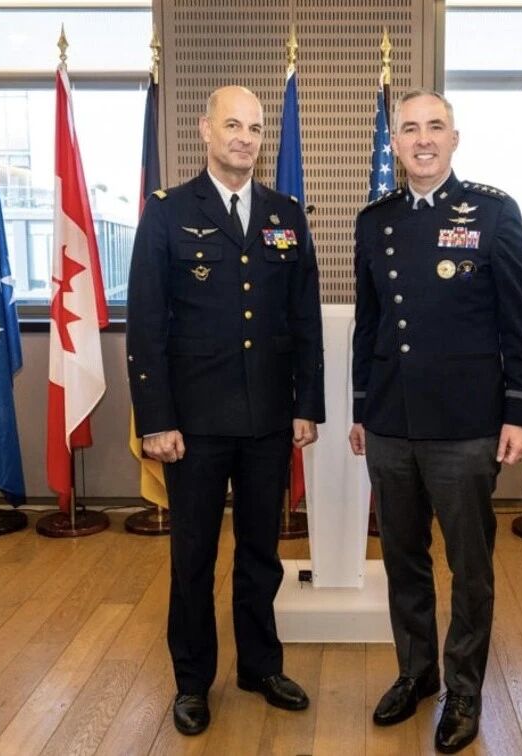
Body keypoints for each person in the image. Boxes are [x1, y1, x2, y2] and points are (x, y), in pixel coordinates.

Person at [127, 85, 325, 736]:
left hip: (268, 418)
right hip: (194, 424)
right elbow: (146, 325)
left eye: (255, 128)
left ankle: (260, 667)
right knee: (193, 557)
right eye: (232, 125)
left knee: (261, 553)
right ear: (205, 131)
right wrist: (156, 419)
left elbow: (304, 318)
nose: (244, 137)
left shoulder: (285, 214)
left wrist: (307, 404)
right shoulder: (168, 212)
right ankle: (192, 682)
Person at [349, 89, 522, 754]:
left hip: (466, 425)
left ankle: (463, 689)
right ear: (395, 143)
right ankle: (416, 672)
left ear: (455, 138)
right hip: (391, 423)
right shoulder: (375, 221)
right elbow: (370, 324)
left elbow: (519, 321)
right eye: (410, 129)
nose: (423, 139)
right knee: (403, 558)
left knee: (469, 566)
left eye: (435, 127)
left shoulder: (493, 211)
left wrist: (519, 413)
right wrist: (361, 408)